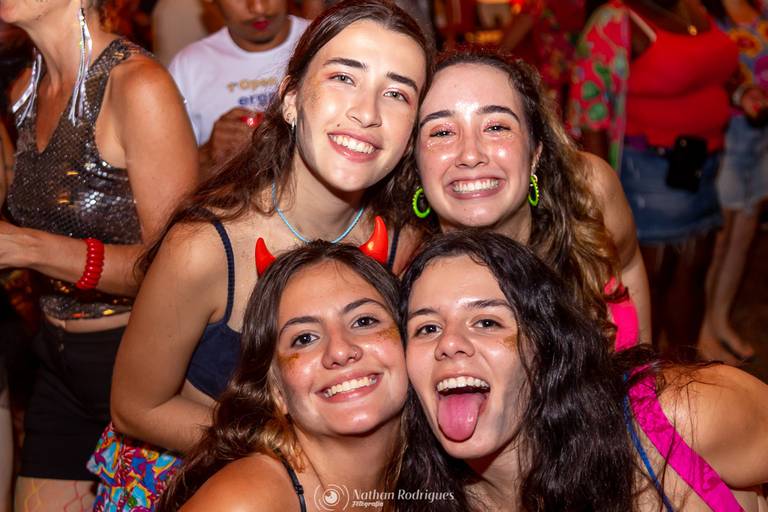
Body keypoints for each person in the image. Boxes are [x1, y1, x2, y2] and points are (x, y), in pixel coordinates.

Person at [88, 1, 431, 509]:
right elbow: (136, 407)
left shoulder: (406, 243)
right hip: (187, 477)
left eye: (397, 93)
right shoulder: (205, 246)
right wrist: (292, 452)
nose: (368, 112)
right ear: (290, 99)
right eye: (343, 78)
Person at [398, 231, 768, 511]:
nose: (449, 342)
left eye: (487, 322)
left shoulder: (675, 417)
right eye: (427, 328)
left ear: (546, 349)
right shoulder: (424, 499)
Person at [0, 0, 198, 504]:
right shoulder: (25, 90)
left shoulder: (137, 86)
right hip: (54, 364)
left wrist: (29, 248)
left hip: (137, 368)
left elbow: (177, 270)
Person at [412, 50, 650, 350]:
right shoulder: (403, 268)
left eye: (496, 127)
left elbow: (627, 267)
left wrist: (644, 371)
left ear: (535, 152)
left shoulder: (588, 197)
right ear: (415, 163)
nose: (470, 155)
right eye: (442, 132)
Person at [157, 241, 407, 511]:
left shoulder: (429, 477)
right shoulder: (244, 503)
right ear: (276, 391)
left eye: (364, 321)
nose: (340, 351)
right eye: (304, 338)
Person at [568, 0, 740, 361]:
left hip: (701, 167)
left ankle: (684, 369)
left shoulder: (693, 7)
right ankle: (647, 373)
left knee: (693, 272)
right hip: (647, 171)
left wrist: (741, 92)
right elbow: (589, 107)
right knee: (650, 283)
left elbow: (720, 69)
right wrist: (604, 190)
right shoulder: (616, 19)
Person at [698, 0, 768, 364]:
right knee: (719, 238)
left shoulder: (760, 10)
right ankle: (702, 329)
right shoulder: (704, 14)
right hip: (727, 137)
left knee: (743, 235)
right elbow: (705, 73)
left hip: (762, 141)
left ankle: (720, 319)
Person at [168, 0, 310, 175]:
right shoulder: (188, 66)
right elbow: (165, 178)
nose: (258, 8)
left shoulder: (325, 41)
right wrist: (208, 154)